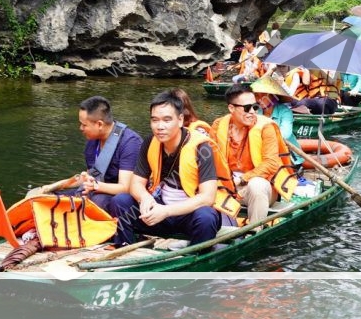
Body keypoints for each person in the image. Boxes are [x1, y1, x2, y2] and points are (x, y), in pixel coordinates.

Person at [110, 91, 241, 247]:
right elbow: (136, 184)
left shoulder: (201, 148)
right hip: (160, 208)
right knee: (120, 201)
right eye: (155, 120)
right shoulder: (150, 143)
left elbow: (207, 198)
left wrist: (166, 211)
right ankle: (126, 247)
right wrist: (145, 198)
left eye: (167, 120)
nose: (160, 126)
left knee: (206, 217)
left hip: (190, 215)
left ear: (180, 120)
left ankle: (196, 257)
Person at [211, 84, 297, 224]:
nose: (252, 112)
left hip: (260, 186)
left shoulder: (266, 127)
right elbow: (211, 160)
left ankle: (254, 231)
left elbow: (271, 164)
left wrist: (243, 179)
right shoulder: (218, 125)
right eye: (246, 108)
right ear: (231, 108)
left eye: (255, 107)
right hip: (226, 186)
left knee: (256, 185)